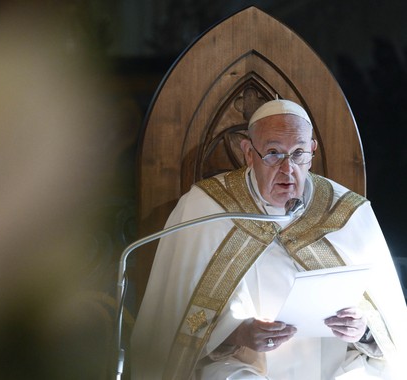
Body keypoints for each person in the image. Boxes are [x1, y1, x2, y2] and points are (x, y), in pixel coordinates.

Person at [130, 99, 407, 379]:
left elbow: (391, 329)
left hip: (332, 368)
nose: (288, 169)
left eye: (298, 153)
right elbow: (172, 327)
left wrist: (363, 331)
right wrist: (238, 333)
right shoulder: (207, 209)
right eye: (274, 153)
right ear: (249, 153)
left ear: (312, 151)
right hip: (242, 366)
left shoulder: (348, 213)